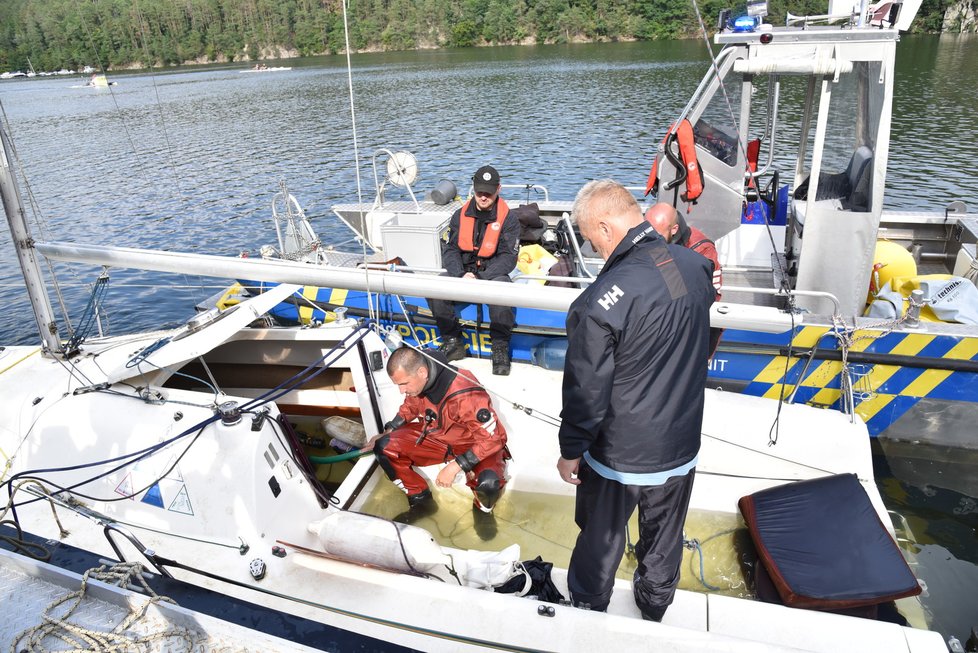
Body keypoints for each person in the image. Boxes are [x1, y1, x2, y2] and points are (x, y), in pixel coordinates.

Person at [556, 180, 714, 622]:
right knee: (664, 541)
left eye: (590, 240)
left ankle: (588, 613)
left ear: (605, 228)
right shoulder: (692, 266)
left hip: (620, 456)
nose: (594, 250)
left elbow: (586, 389)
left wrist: (571, 451)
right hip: (680, 443)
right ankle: (654, 609)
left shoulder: (598, 303)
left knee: (599, 544)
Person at [370, 346, 509, 533]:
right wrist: (388, 430)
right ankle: (421, 500)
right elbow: (410, 407)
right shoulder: (419, 383)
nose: (401, 391)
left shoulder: (465, 393)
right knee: (384, 447)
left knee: (489, 484)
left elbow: (493, 439)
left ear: (422, 372)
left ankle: (483, 510)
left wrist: (454, 466)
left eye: (404, 384)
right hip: (438, 437)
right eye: (398, 385)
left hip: (473, 443)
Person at [430, 165, 520, 375]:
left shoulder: (509, 220)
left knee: (502, 289)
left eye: (488, 192)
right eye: (480, 191)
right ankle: (453, 341)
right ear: (474, 188)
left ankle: (499, 345)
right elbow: (450, 250)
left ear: (498, 189)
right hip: (463, 272)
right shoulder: (459, 215)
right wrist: (460, 274)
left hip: (491, 273)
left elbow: (509, 258)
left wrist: (481, 277)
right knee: (434, 287)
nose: (483, 196)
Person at [645, 202, 723, 356]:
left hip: (695, 319)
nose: (651, 240)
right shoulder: (656, 240)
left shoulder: (701, 250)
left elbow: (706, 296)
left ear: (674, 229)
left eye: (656, 236)